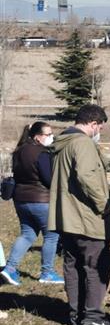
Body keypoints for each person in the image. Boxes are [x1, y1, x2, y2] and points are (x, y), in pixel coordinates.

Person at [48, 104, 110, 325]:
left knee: (73, 266)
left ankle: (76, 315)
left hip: (66, 218)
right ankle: (93, 317)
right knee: (96, 266)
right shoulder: (83, 143)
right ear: (93, 123)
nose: (99, 132)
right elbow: (86, 176)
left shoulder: (62, 144)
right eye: (100, 127)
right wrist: (102, 203)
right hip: (86, 218)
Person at [1, 122, 62, 286]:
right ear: (37, 136)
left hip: (20, 200)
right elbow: (49, 179)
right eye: (48, 134)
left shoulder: (18, 151)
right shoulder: (41, 153)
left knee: (27, 235)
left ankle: (10, 269)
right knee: (51, 236)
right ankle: (47, 273)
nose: (51, 137)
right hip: (42, 200)